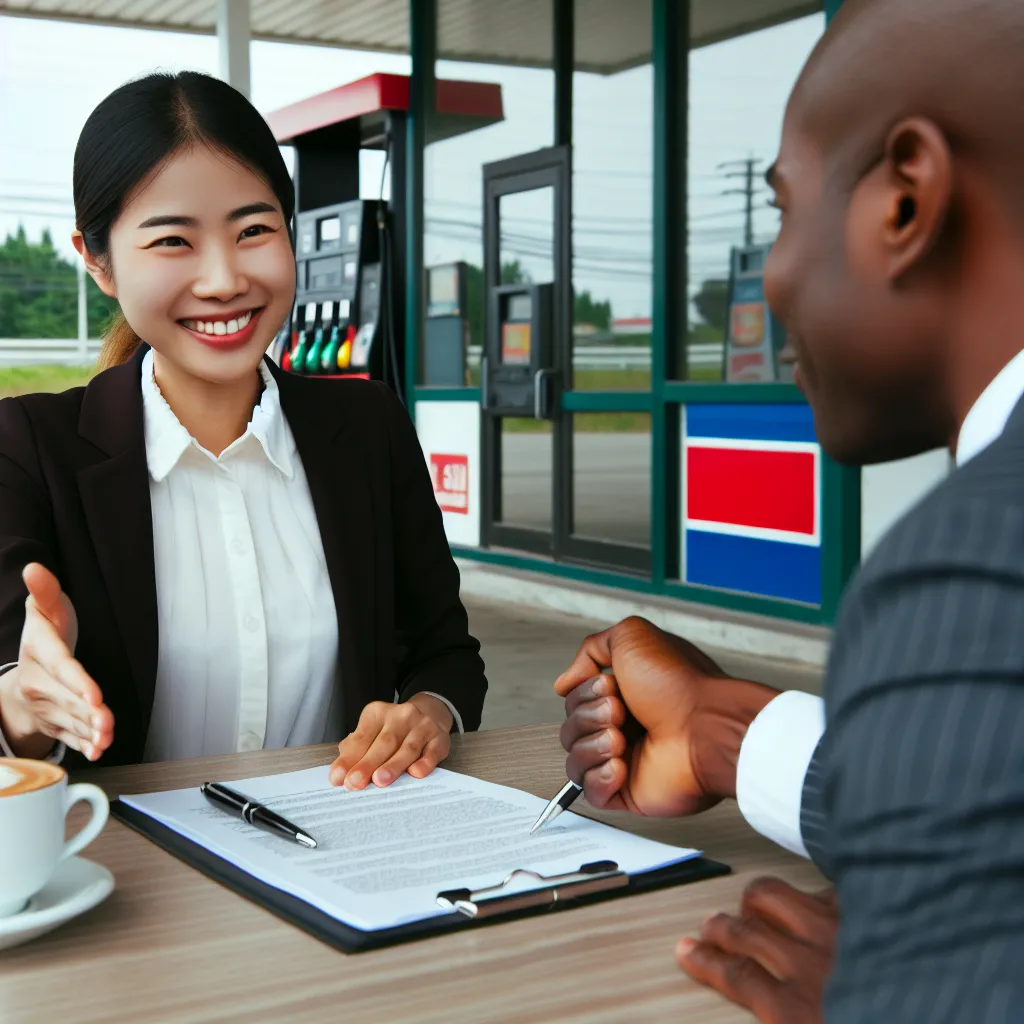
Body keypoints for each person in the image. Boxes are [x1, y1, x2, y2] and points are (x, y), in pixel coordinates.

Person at [557, 0, 1024, 1020]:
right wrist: (721, 731)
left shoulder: (970, 568)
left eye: (782, 211)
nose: (767, 280)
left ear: (903, 201)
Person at [0, 71, 487, 791]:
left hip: (346, 854)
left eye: (254, 230)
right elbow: (17, 675)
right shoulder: (28, 446)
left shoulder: (369, 426)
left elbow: (445, 651)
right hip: (141, 882)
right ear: (98, 262)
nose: (225, 279)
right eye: (172, 241)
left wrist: (427, 712)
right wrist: (26, 704)